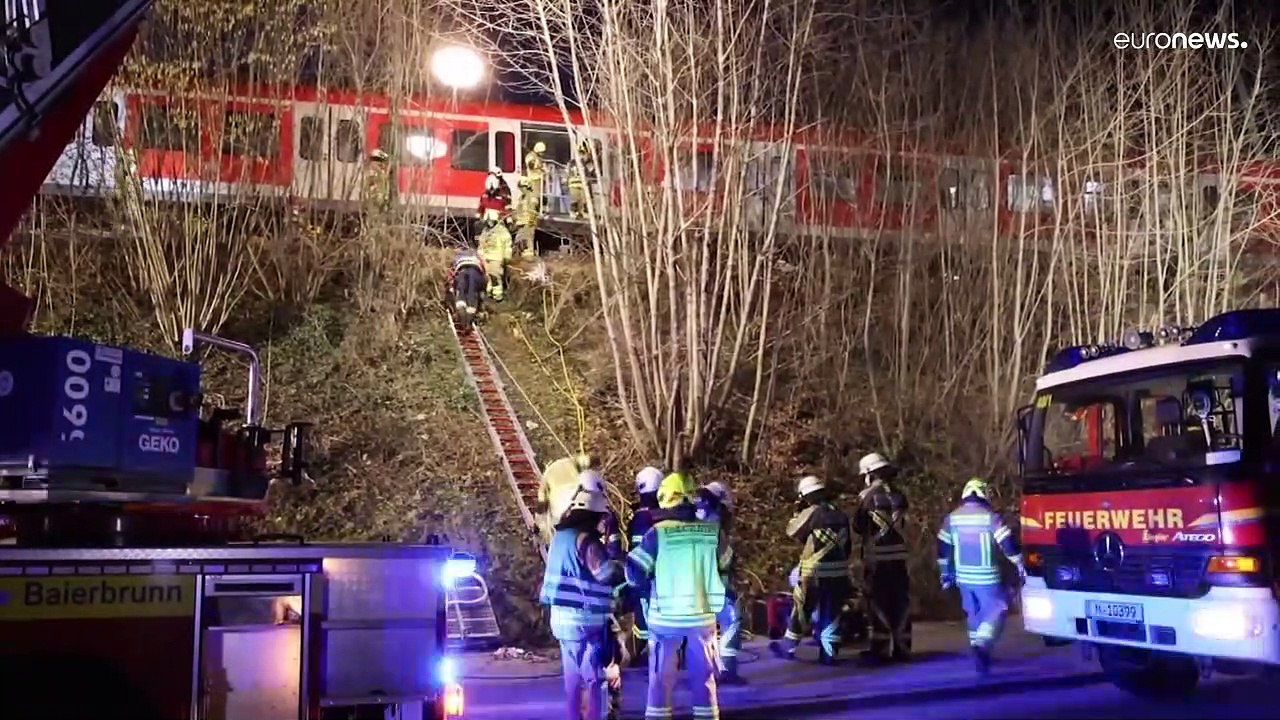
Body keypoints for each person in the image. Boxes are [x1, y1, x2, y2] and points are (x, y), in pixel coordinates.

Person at [627, 471, 727, 720]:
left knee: (660, 682)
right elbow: (726, 565)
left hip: (665, 620)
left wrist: (650, 581)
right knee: (704, 679)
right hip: (702, 618)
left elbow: (633, 573)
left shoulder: (657, 534)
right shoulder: (712, 532)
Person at [541, 482, 625, 720]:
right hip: (585, 622)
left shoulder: (559, 538)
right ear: (592, 515)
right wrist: (619, 562)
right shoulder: (586, 540)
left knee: (572, 682)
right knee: (596, 680)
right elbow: (606, 574)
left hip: (560, 620)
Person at [937, 477, 1025, 675]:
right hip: (987, 577)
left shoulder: (952, 518)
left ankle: (979, 655)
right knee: (997, 610)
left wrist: (945, 574)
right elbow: (1008, 544)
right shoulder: (990, 517)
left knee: (973, 614)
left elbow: (943, 549)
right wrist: (1020, 563)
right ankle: (982, 646)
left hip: (963, 578)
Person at [771, 475, 852, 666]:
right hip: (839, 572)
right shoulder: (840, 514)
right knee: (832, 612)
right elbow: (847, 545)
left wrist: (796, 513)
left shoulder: (811, 512)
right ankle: (829, 654)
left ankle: (788, 647)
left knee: (802, 610)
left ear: (805, 496)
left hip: (814, 573)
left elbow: (792, 531)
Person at [853, 452, 913, 663]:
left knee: (878, 602)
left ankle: (880, 649)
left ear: (870, 473)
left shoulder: (867, 496)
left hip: (877, 558)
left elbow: (859, 525)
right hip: (900, 557)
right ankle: (903, 648)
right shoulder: (900, 495)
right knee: (900, 601)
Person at [698, 480, 745, 685]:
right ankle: (727, 669)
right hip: (717, 583)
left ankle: (707, 669)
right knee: (732, 620)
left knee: (704, 628)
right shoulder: (715, 525)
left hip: (695, 584)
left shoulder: (694, 523)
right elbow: (725, 559)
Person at [624, 466, 664, 664]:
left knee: (643, 619)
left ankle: (639, 654)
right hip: (664, 575)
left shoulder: (639, 518)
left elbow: (634, 550)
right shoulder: (664, 514)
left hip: (642, 576)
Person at [538, 454, 595, 546]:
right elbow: (587, 460)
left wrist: (539, 522)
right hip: (577, 497)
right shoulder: (570, 461)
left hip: (559, 505)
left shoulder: (547, 474)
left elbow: (541, 500)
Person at [477, 209, 513, 302]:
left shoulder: (502, 231)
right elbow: (481, 243)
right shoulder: (485, 231)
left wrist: (507, 256)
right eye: (488, 221)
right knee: (488, 276)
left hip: (497, 257)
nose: (490, 223)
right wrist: (480, 254)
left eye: (491, 221)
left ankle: (498, 295)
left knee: (495, 276)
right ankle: (489, 292)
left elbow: (507, 244)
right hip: (486, 258)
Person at [447, 249, 486, 331]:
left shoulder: (457, 256)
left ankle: (462, 317)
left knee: (461, 291)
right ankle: (468, 322)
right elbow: (484, 273)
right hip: (476, 273)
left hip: (462, 271)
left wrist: (452, 286)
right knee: (472, 293)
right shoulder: (478, 256)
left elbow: (451, 273)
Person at [568, 140, 596, 220]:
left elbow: (568, 172)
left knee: (575, 200)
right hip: (582, 185)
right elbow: (593, 172)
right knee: (585, 200)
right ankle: (584, 213)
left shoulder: (571, 162)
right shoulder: (586, 163)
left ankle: (574, 213)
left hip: (572, 185)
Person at [513, 177, 540, 259]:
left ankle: (529, 258)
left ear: (526, 186)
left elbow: (533, 209)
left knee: (528, 241)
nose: (521, 189)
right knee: (519, 240)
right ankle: (520, 256)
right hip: (521, 223)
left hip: (528, 223)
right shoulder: (522, 197)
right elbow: (518, 210)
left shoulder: (532, 196)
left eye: (522, 187)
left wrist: (531, 220)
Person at [361, 148, 394, 215]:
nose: (381, 164)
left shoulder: (381, 174)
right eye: (377, 161)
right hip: (374, 205)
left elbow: (385, 189)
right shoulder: (370, 174)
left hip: (382, 206)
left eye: (382, 162)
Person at [524, 140, 547, 210]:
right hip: (533, 180)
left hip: (539, 180)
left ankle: (537, 210)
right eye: (542, 152)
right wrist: (541, 167)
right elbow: (531, 165)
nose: (543, 154)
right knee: (534, 198)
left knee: (539, 197)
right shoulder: (530, 156)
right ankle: (532, 211)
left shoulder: (538, 157)